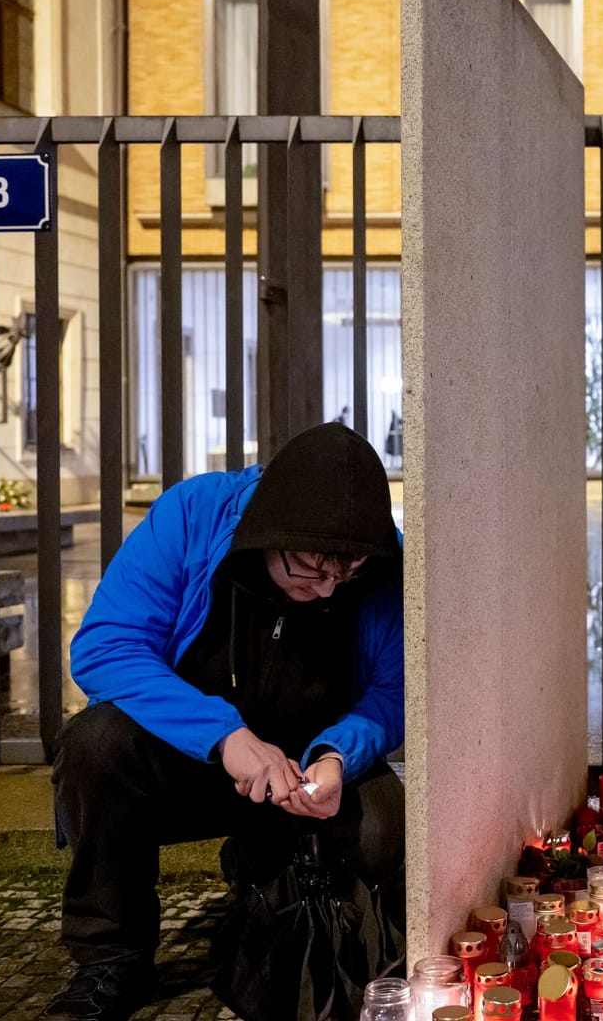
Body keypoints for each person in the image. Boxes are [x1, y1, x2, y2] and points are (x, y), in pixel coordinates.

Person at [43, 423, 406, 1021]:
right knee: (95, 744)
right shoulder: (192, 515)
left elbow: (392, 692)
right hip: (192, 762)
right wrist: (226, 737)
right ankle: (110, 957)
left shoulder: (376, 562)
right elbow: (105, 646)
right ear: (269, 532)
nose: (323, 591)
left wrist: (338, 755)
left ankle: (266, 881)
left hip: (305, 773)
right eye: (309, 568)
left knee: (386, 825)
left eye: (344, 575)